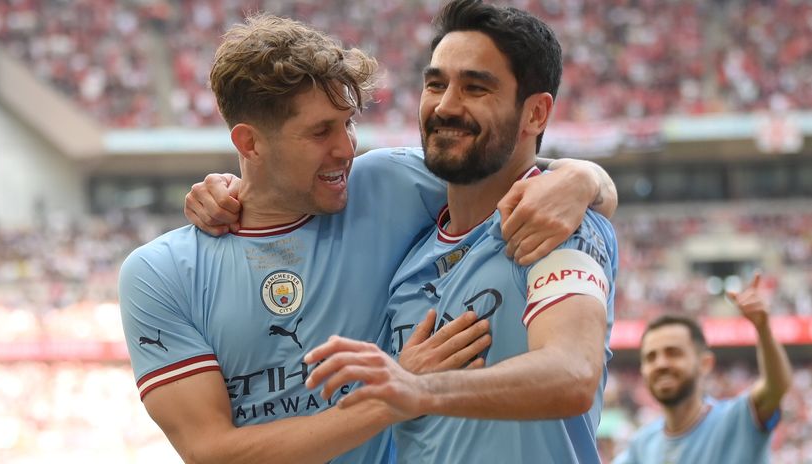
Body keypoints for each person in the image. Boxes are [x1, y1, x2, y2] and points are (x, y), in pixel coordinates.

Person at [121, 10, 616, 464]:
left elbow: (502, 163)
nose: (347, 149)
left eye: (349, 124)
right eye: (320, 133)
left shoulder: (386, 183)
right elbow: (212, 454)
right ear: (249, 143)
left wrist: (584, 177)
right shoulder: (160, 273)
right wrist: (396, 393)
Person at [303, 1, 618, 463]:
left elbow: (572, 374)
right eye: (435, 84)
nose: (446, 106)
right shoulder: (412, 255)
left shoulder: (554, 225)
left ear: (535, 114)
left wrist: (421, 387)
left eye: (476, 87)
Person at [612, 273, 793, 464]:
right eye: (651, 357)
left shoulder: (736, 420)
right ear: (643, 370)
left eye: (673, 353)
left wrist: (763, 328)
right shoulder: (642, 446)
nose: (661, 364)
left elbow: (776, 386)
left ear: (705, 363)